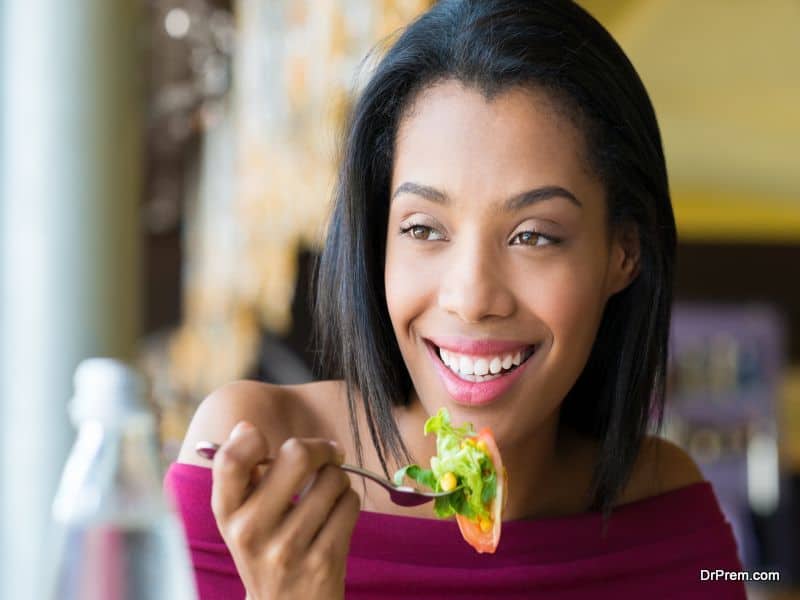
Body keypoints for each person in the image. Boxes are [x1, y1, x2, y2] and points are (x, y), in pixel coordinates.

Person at [165, 1, 747, 598]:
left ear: (623, 254)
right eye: (423, 228)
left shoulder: (668, 513)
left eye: (534, 235)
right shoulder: (250, 472)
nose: (470, 298)